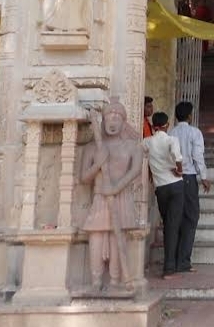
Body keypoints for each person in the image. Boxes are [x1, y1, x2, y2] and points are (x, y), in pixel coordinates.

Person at [79, 99, 143, 291]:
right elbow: (84, 178)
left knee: (118, 240)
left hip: (121, 197)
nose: (113, 121)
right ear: (103, 121)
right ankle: (96, 281)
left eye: (117, 118)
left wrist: (116, 188)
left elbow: (135, 171)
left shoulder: (133, 146)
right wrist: (98, 164)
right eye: (109, 117)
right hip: (100, 197)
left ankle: (115, 281)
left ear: (124, 122)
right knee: (96, 238)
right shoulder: (93, 147)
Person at [168, 101, 211, 273]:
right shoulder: (194, 132)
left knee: (175, 218)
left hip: (172, 178)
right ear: (189, 116)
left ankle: (173, 260)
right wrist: (204, 177)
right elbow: (197, 156)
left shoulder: (171, 133)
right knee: (191, 217)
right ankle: (184, 261)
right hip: (188, 177)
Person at [142, 111, 184, 279]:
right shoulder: (171, 140)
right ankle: (169, 268)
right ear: (167, 125)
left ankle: (171, 265)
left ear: (153, 126)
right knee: (173, 227)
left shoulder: (147, 142)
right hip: (176, 186)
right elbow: (177, 157)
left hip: (161, 189)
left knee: (168, 225)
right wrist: (179, 170)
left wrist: (151, 171)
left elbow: (141, 155)